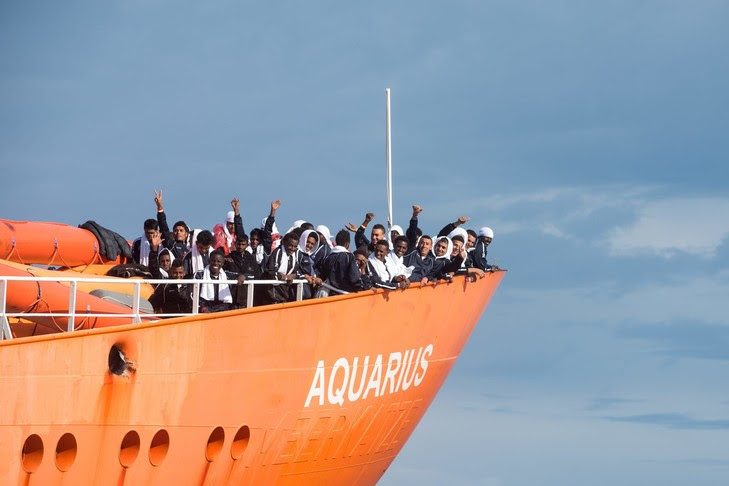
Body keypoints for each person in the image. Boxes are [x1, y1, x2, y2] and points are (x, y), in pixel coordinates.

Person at [316, 230, 362, 295]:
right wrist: (361, 288)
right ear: (347, 244)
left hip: (329, 294)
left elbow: (323, 276)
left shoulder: (328, 257)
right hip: (344, 295)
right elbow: (354, 279)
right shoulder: (349, 256)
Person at [224, 233, 263, 307]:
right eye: (239, 244)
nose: (240, 247)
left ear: (247, 245)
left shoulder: (251, 259)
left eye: (243, 244)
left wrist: (245, 276)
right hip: (231, 296)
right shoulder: (229, 257)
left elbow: (257, 275)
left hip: (246, 297)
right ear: (235, 243)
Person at [264, 232, 302, 304]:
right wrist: (285, 277)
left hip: (284, 291)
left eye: (295, 246)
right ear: (284, 242)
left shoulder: (294, 256)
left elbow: (296, 272)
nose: (292, 249)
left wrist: (293, 276)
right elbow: (271, 272)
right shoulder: (278, 253)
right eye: (290, 245)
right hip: (272, 292)